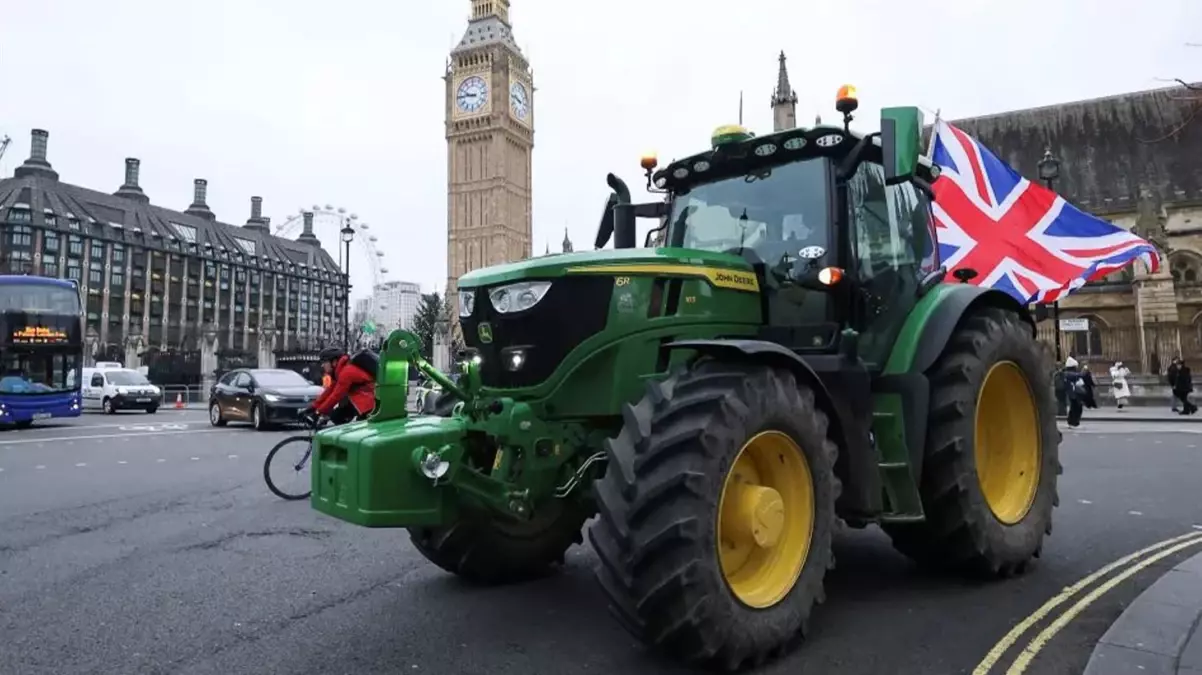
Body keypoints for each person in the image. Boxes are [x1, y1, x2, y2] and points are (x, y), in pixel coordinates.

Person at [305, 347, 376, 426]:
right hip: (357, 404)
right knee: (336, 416)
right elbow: (329, 391)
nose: (322, 365)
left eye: (324, 362)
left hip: (368, 406)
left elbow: (336, 396)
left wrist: (318, 412)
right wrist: (313, 407)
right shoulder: (340, 372)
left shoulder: (346, 372)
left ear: (334, 362)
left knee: (356, 432)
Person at [1062, 357, 1086, 428]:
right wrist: (1084, 370)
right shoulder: (1069, 373)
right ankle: (1073, 422)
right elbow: (1080, 375)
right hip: (1073, 393)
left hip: (1073, 393)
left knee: (1075, 407)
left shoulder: (1068, 373)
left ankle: (1073, 422)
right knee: (1076, 408)